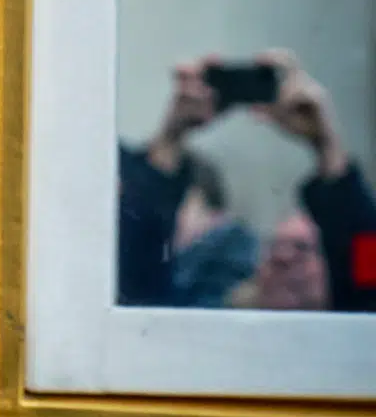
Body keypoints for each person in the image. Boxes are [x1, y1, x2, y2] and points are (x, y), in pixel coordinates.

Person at [117, 51, 376, 312]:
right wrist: (171, 136)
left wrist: (327, 146)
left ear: (336, 258)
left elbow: (367, 260)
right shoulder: (209, 319)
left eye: (303, 249)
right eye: (275, 246)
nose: (283, 258)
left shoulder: (356, 331)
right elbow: (135, 278)